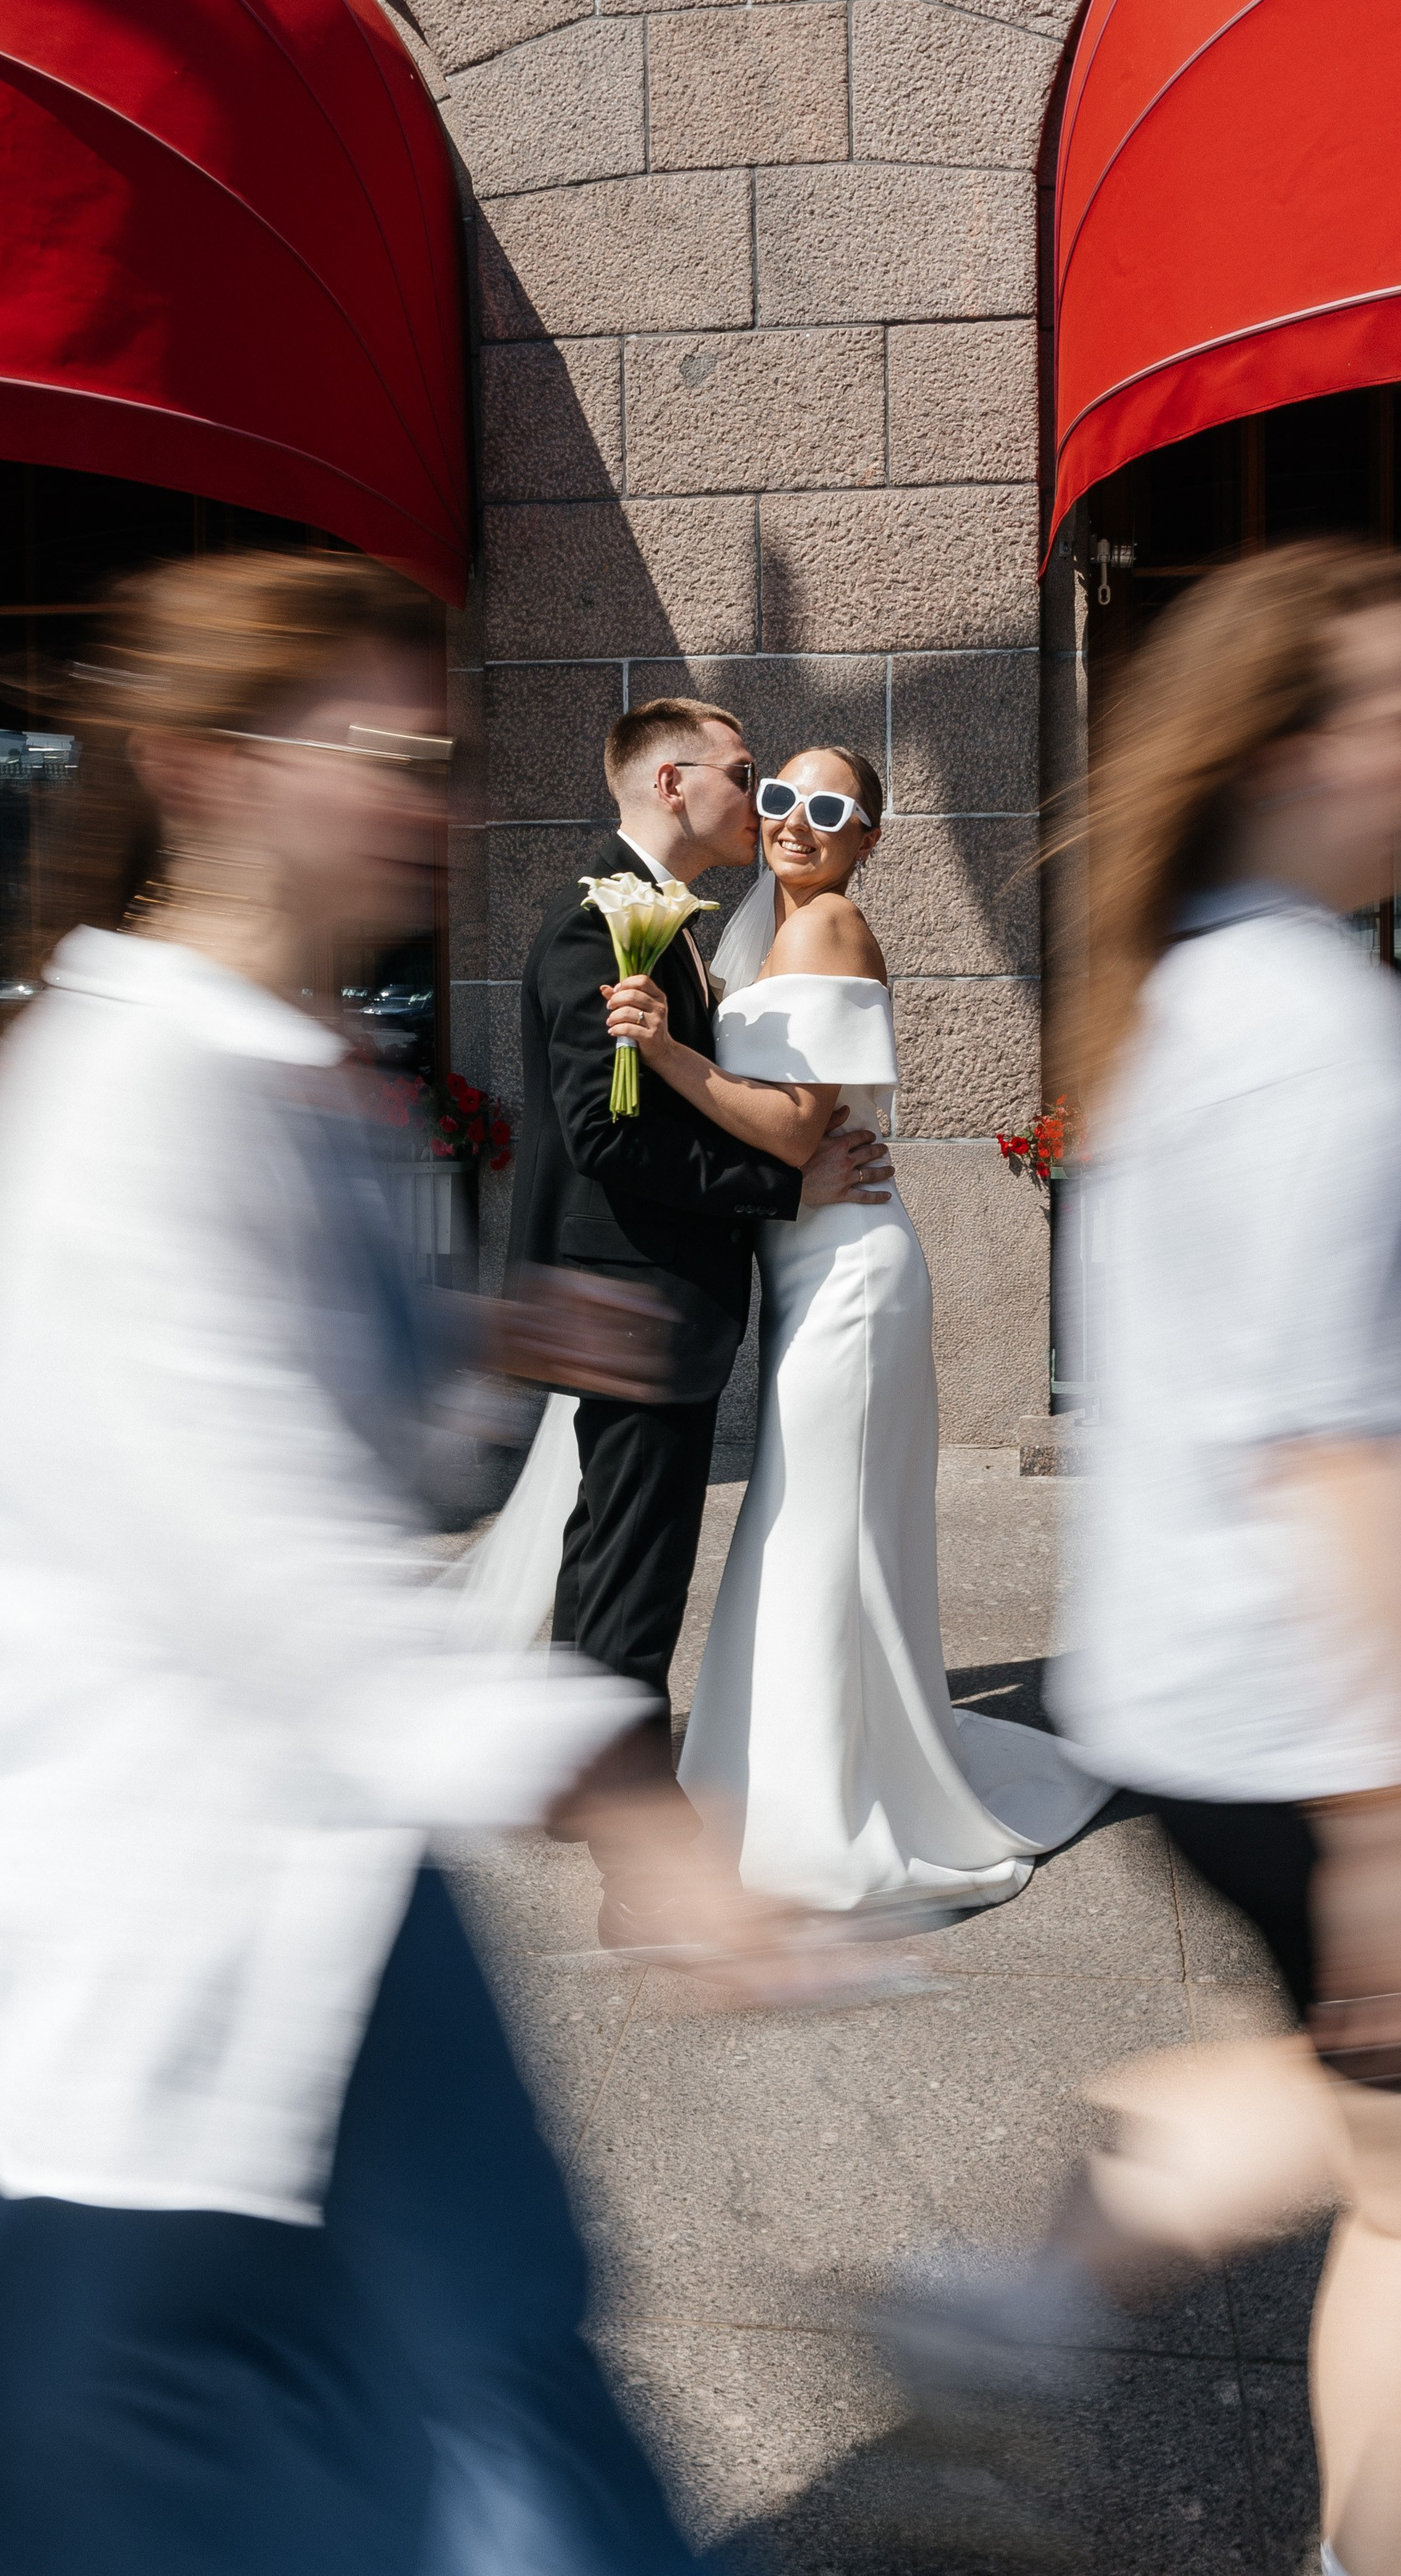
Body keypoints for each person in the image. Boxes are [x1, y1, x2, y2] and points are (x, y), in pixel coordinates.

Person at [0, 554, 803, 2576]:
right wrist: (620, 1790)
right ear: (203, 769)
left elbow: (304, 1399)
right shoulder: (127, 1099)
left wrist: (486, 1340)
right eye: (385, 754)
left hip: (293, 1872)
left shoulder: (285, 1064)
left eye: (435, 754)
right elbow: (261, 1559)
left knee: (481, 2385)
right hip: (137, 1894)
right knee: (342, 2431)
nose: (429, 798)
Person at [871, 540, 1401, 2576]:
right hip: (1315, 1711)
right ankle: (1053, 2331)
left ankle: (1019, 2302)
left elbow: (1285, 1344)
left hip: (1196, 1694)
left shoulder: (1199, 987)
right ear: (1289, 750)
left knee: (1390, 2122)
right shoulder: (1314, 1022)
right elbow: (1328, 1434)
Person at [603, 746, 1109, 1912]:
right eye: (777, 797)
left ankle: (826, 1808)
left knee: (822, 1536)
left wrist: (665, 1048)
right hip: (815, 1273)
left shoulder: (826, 926)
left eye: (828, 809)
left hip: (850, 1284)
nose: (793, 821)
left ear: (868, 838)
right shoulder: (768, 933)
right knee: (816, 1530)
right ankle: (811, 1778)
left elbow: (789, 1131)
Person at [506, 698, 892, 1945]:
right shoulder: (596, 931)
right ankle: (644, 1877)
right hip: (632, 1293)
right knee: (634, 1576)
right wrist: (784, 1183)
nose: (763, 796)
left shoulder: (657, 926)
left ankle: (574, 1777)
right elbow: (610, 1138)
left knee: (605, 1545)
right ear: (674, 784)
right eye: (746, 774)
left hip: (633, 1289)